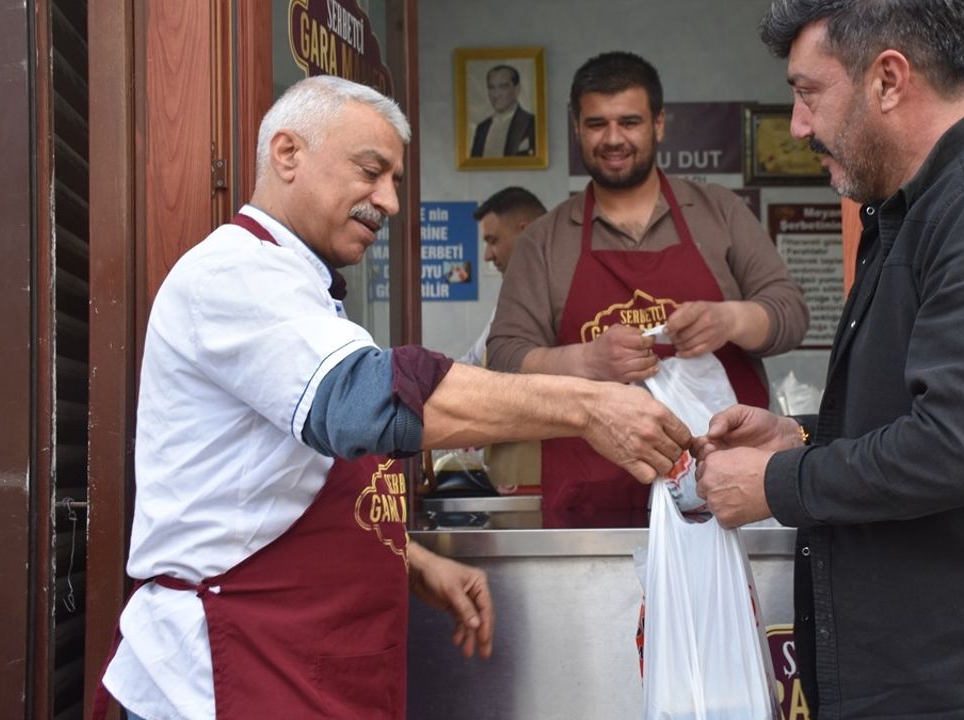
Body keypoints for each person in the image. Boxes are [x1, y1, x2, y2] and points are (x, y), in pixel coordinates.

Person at [96, 75, 691, 720]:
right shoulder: (234, 274)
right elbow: (363, 403)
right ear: (288, 153)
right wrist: (587, 406)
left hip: (316, 664)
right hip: (230, 671)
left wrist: (408, 558)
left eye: (395, 181)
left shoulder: (305, 290)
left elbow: (263, 486)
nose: (388, 200)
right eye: (370, 171)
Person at [691, 2, 964, 718]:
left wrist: (779, 483)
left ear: (889, 79)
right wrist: (801, 436)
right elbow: (917, 414)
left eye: (808, 93)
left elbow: (958, 448)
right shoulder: (911, 215)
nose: (799, 125)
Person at [486, 51, 809, 528]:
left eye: (629, 122)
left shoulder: (718, 212)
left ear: (658, 124)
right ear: (577, 128)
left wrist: (729, 320)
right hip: (592, 508)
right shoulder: (545, 240)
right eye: (597, 124)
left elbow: (789, 315)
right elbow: (506, 358)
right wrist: (586, 362)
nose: (613, 139)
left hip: (725, 495)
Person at [457, 186, 548, 366]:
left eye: (493, 241)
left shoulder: (567, 290)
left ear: (526, 232)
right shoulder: (513, 296)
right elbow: (473, 362)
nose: (487, 256)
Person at [470, 64, 536, 158]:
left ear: (517, 89)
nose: (496, 95)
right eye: (491, 87)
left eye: (503, 87)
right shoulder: (482, 128)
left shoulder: (532, 123)